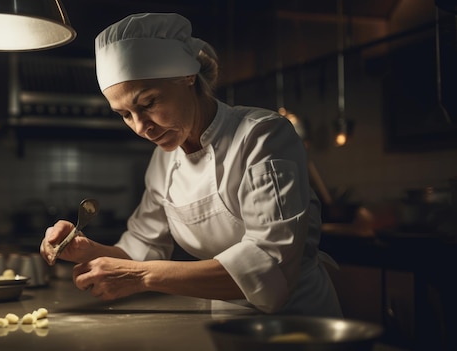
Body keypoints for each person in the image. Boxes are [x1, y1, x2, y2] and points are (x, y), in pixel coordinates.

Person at [40, 12, 342, 317]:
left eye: (148, 103)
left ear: (187, 77)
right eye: (125, 114)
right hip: (226, 322)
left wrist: (140, 276)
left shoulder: (262, 136)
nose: (141, 127)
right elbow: (140, 248)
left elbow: (270, 266)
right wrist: (85, 249)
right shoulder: (165, 159)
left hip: (300, 321)